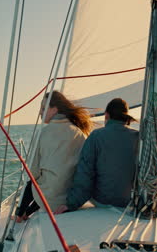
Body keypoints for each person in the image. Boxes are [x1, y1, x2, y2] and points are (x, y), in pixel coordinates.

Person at [15, 91, 92, 222]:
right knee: (50, 183)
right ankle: (25, 212)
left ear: (55, 109)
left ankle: (20, 215)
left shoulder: (43, 133)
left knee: (34, 183)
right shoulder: (80, 133)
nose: (40, 112)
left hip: (49, 200)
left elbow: (32, 173)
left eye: (44, 108)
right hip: (69, 199)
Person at [55, 98, 139, 214]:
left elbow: (85, 174)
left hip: (101, 201)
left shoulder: (96, 136)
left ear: (106, 115)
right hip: (127, 202)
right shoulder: (138, 137)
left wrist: (71, 204)